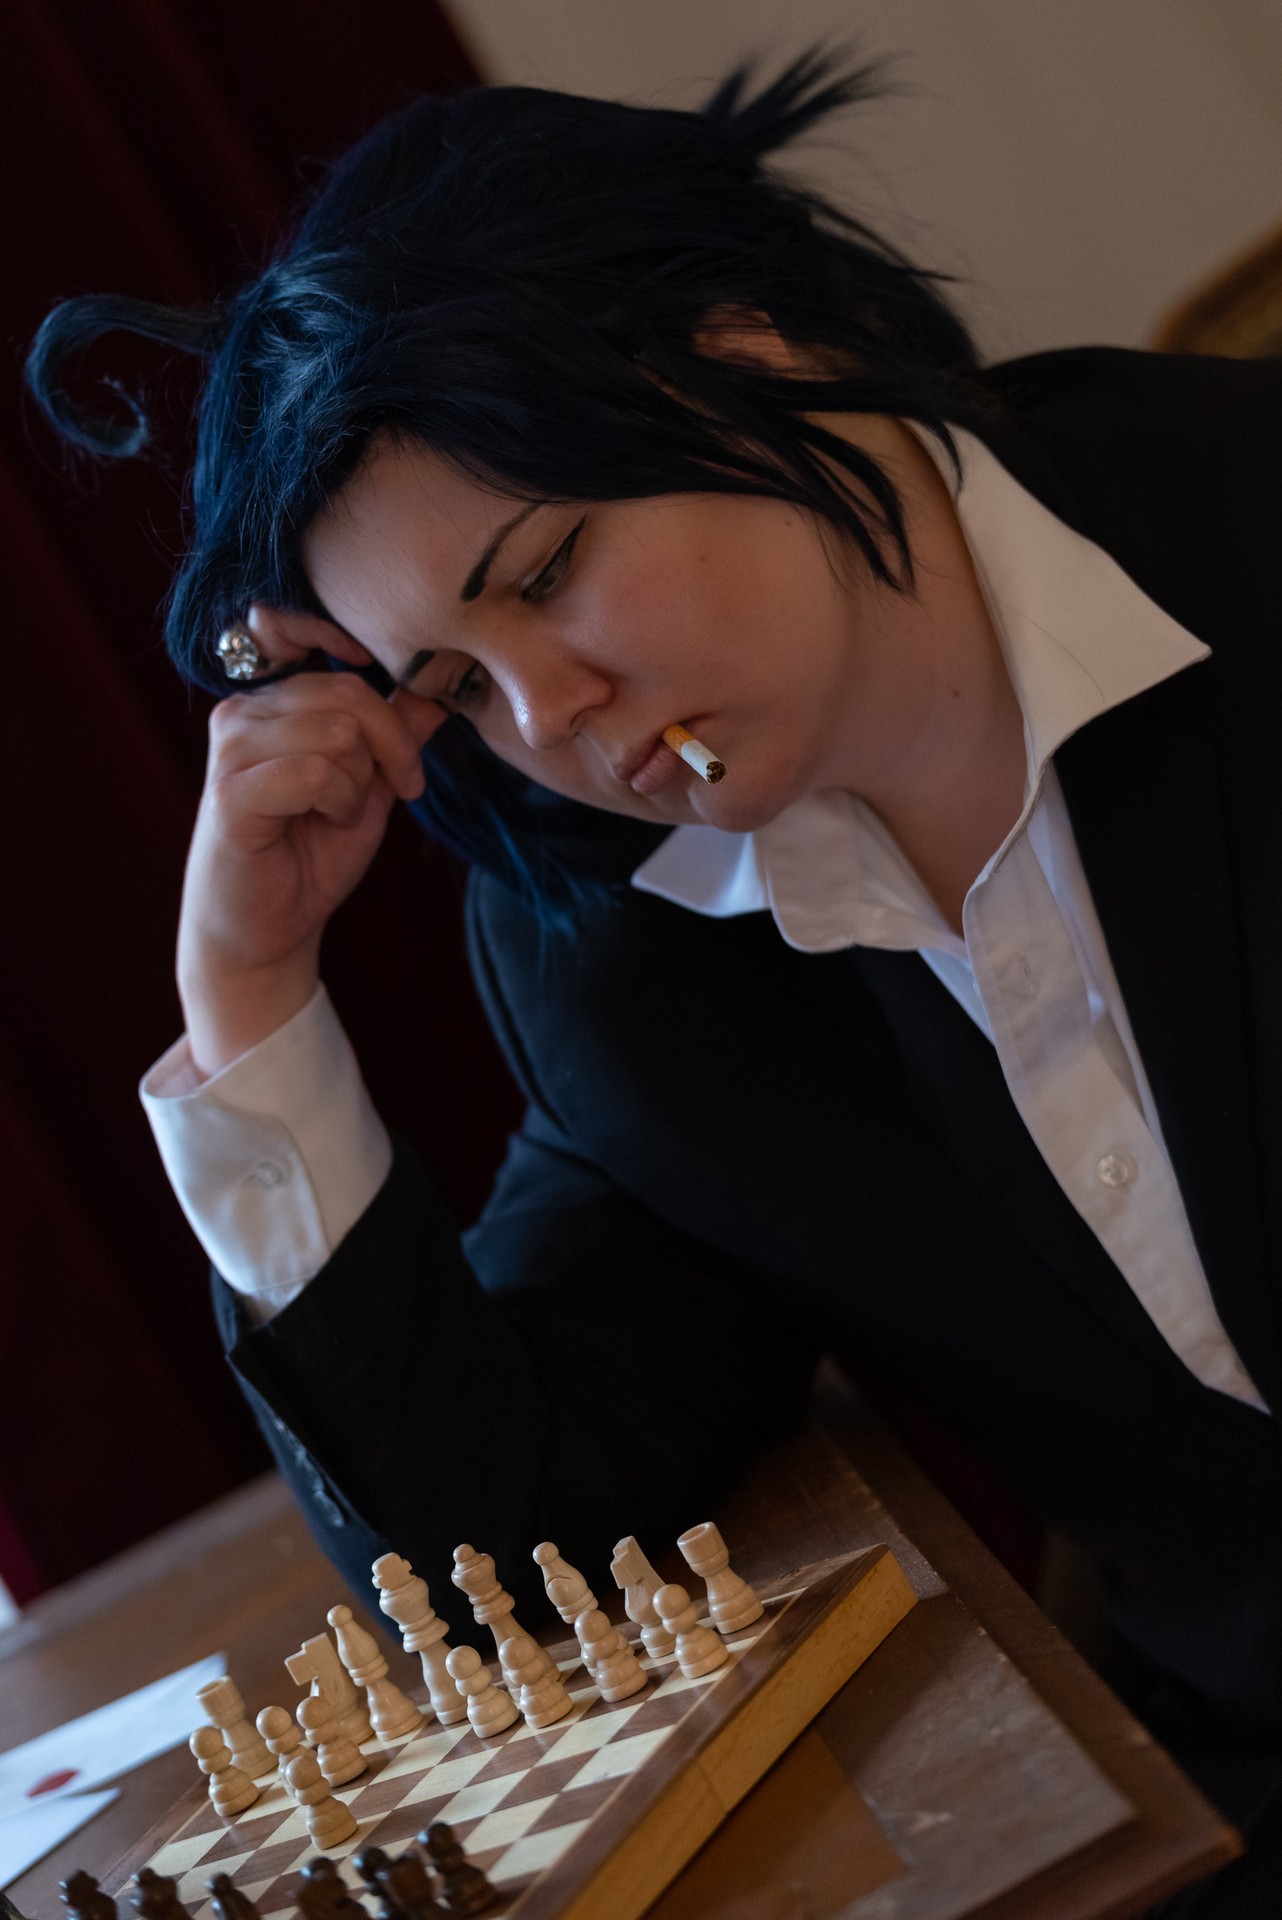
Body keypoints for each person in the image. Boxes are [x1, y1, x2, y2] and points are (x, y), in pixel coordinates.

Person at [27, 51, 1281, 1913]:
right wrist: (248, 996)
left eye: (546, 572)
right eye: (450, 684)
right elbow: (511, 1569)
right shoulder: (621, 949)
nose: (546, 717)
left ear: (738, 352)